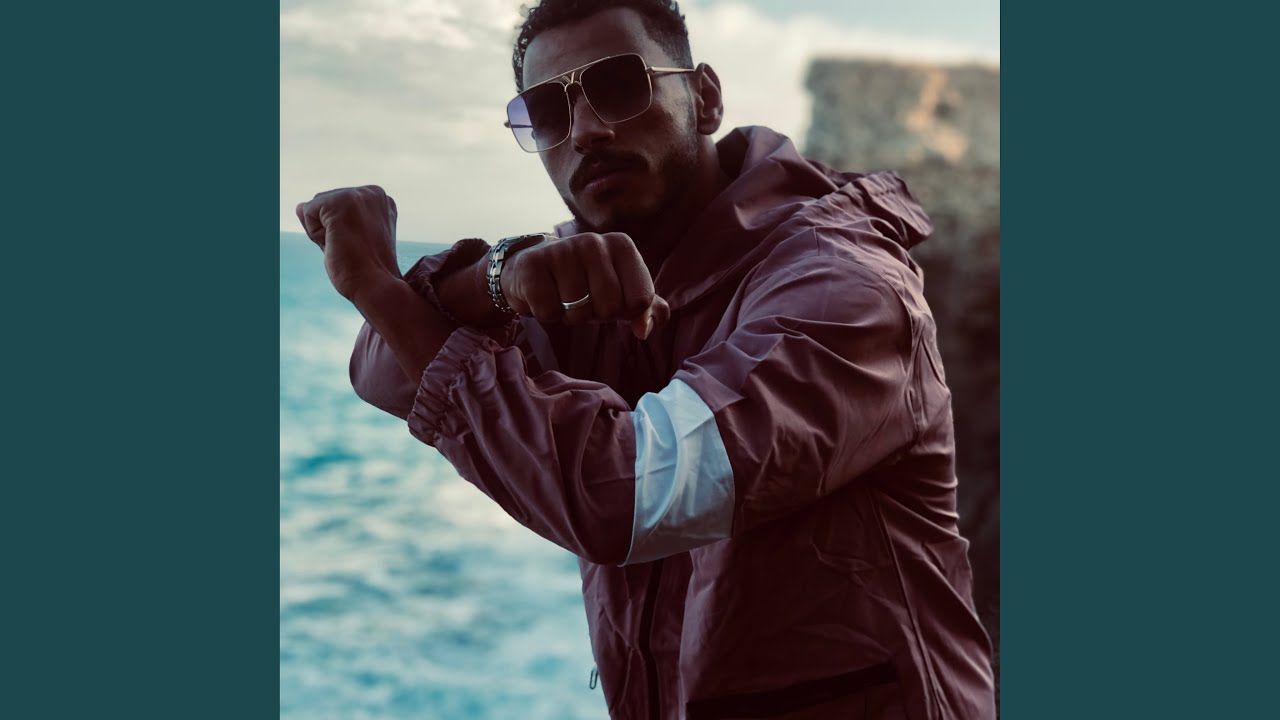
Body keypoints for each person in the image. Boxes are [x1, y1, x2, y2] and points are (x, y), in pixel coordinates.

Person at [294, 1, 995, 717]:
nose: (587, 130)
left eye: (619, 86)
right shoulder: (597, 274)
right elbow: (385, 371)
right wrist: (495, 279)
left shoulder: (843, 286)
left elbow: (627, 495)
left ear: (705, 98)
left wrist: (376, 285)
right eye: (549, 113)